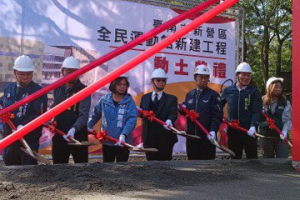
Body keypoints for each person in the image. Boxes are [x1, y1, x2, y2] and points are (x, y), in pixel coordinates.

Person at [0, 55, 47, 165]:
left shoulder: (38, 92)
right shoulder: (9, 88)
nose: (25, 77)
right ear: (15, 72)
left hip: (28, 142)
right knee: (11, 173)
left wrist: (24, 126)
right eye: (22, 74)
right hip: (10, 141)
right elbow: (3, 103)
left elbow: (40, 115)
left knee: (28, 173)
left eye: (28, 73)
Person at [88, 75, 137, 162]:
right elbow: (95, 115)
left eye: (124, 85)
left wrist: (124, 134)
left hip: (123, 142)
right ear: (113, 85)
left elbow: (131, 120)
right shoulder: (104, 100)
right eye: (119, 84)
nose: (122, 87)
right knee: (107, 167)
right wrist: (89, 126)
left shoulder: (129, 102)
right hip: (107, 141)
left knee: (122, 168)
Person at [52, 56, 91, 164]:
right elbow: (54, 107)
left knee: (81, 168)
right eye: (69, 71)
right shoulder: (57, 88)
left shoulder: (84, 90)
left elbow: (84, 115)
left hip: (78, 135)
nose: (72, 74)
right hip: (60, 135)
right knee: (58, 167)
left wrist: (74, 129)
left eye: (75, 71)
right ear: (62, 71)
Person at [178, 65, 223, 160]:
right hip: (191, 137)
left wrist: (213, 130)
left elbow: (217, 115)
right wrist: (181, 109)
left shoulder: (213, 95)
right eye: (201, 77)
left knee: (207, 166)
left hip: (207, 137)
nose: (203, 80)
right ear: (195, 78)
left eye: (206, 77)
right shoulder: (189, 95)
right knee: (193, 166)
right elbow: (187, 112)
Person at [221, 62, 262, 159]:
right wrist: (221, 121)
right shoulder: (228, 91)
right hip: (233, 131)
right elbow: (218, 107)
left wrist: (253, 126)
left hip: (249, 131)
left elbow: (257, 111)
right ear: (237, 75)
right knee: (235, 158)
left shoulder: (254, 91)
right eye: (243, 75)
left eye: (248, 75)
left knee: (252, 159)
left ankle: (253, 174)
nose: (246, 77)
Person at [140, 68, 178, 161]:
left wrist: (169, 121)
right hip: (149, 138)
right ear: (152, 82)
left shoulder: (171, 98)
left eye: (163, 80)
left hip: (166, 139)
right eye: (158, 80)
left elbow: (173, 113)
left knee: (165, 166)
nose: (161, 82)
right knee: (151, 165)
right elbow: (142, 114)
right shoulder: (145, 97)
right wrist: (139, 112)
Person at [259, 77, 291, 158]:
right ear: (269, 87)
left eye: (280, 87)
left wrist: (284, 131)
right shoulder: (261, 101)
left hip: (281, 137)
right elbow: (257, 117)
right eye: (276, 87)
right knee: (267, 162)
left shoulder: (285, 102)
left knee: (282, 160)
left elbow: (288, 119)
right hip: (266, 137)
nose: (278, 89)